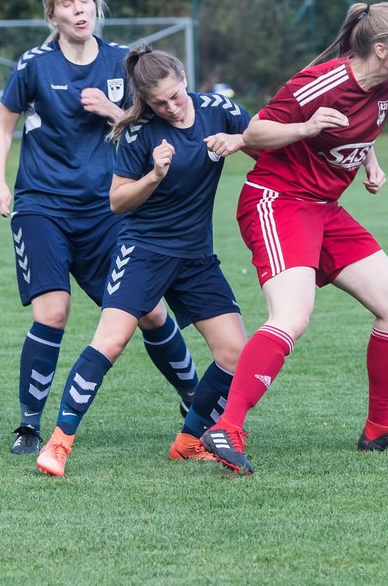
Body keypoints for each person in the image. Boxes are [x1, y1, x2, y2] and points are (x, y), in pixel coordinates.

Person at [200, 2, 388, 476]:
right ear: (381, 48)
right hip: (278, 201)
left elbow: (360, 130)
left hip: (324, 209)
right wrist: (306, 126)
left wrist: (369, 162)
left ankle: (378, 429)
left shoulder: (386, 85)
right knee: (292, 315)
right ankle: (227, 427)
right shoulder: (322, 82)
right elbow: (256, 131)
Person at [0, 0, 198, 456]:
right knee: (54, 310)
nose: (78, 9)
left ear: (95, 5)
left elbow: (163, 119)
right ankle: (28, 426)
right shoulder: (34, 65)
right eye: (67, 3)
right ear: (52, 14)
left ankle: (194, 401)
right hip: (42, 206)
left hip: (106, 212)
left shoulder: (124, 63)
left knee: (148, 310)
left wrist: (111, 110)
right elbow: (2, 129)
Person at [35, 48, 253, 476]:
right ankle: (58, 444)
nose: (171, 107)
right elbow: (117, 202)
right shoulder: (139, 135)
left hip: (195, 257)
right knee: (111, 341)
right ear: (145, 102)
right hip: (144, 251)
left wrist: (241, 140)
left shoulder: (218, 110)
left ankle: (190, 441)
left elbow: (268, 142)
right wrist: (153, 176)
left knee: (235, 352)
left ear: (185, 77)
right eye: (159, 103)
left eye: (175, 96)